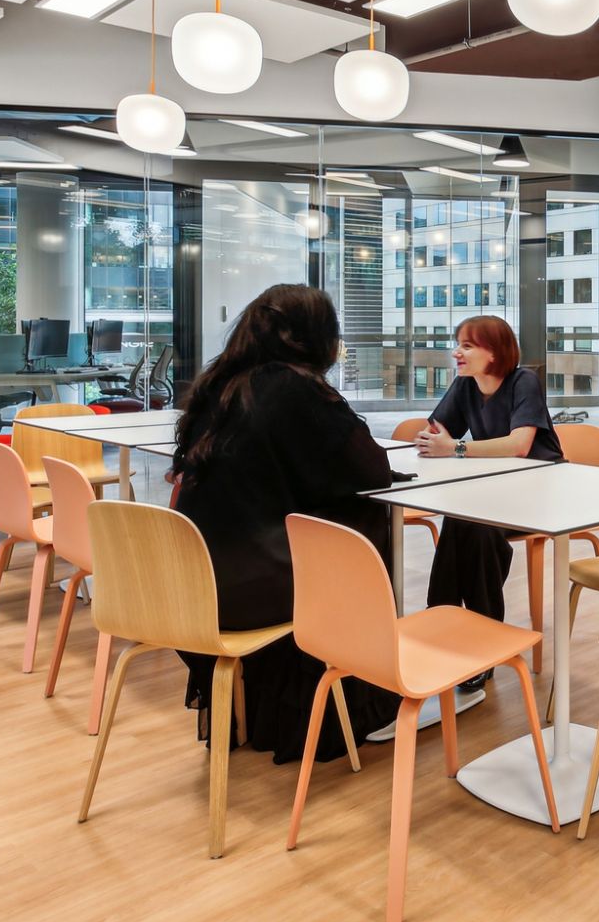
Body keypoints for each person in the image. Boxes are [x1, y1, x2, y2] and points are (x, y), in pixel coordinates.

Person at [171, 284, 403, 763]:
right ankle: (367, 683)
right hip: (263, 586)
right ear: (315, 337)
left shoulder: (220, 387)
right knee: (351, 526)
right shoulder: (297, 390)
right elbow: (371, 471)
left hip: (198, 583)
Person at [415, 314, 564, 700]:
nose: (456, 353)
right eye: (458, 344)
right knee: (462, 520)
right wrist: (436, 441)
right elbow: (436, 432)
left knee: (476, 526)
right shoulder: (466, 384)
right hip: (494, 489)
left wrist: (455, 448)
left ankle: (471, 639)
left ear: (494, 352)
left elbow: (519, 445)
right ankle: (451, 628)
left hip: (539, 491)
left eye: (467, 346)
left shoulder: (523, 381)